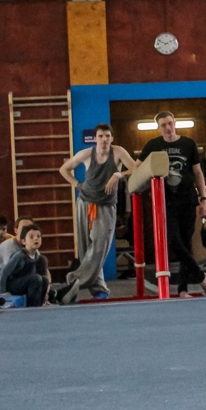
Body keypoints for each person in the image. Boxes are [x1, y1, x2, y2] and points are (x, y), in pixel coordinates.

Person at [57, 123, 138, 304]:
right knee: (87, 249)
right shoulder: (86, 154)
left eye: (107, 136)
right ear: (95, 139)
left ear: (112, 138)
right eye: (101, 136)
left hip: (105, 205)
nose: (104, 139)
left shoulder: (118, 152)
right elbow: (63, 169)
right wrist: (77, 185)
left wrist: (118, 175)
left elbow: (135, 168)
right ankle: (99, 289)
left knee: (99, 247)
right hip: (85, 203)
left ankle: (73, 281)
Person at [139, 111, 206, 297]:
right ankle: (200, 276)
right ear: (158, 128)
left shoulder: (188, 144)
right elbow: (137, 167)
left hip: (187, 199)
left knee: (186, 243)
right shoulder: (153, 145)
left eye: (170, 123)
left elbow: (198, 173)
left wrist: (204, 199)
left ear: (175, 123)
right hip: (166, 201)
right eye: (163, 125)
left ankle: (183, 289)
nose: (168, 128)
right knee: (173, 241)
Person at [1, 224, 51, 307]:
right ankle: (32, 306)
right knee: (36, 278)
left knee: (44, 279)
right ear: (24, 241)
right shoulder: (19, 255)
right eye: (31, 237)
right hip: (15, 284)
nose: (36, 239)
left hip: (28, 282)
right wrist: (3, 292)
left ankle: (41, 303)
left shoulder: (38, 257)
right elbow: (4, 273)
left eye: (38, 236)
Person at [0, 214, 34, 294]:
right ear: (16, 230)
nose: (27, 231)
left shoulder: (30, 246)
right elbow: (9, 271)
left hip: (17, 279)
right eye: (24, 228)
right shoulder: (9, 246)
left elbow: (43, 269)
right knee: (34, 279)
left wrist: (47, 286)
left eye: (30, 228)